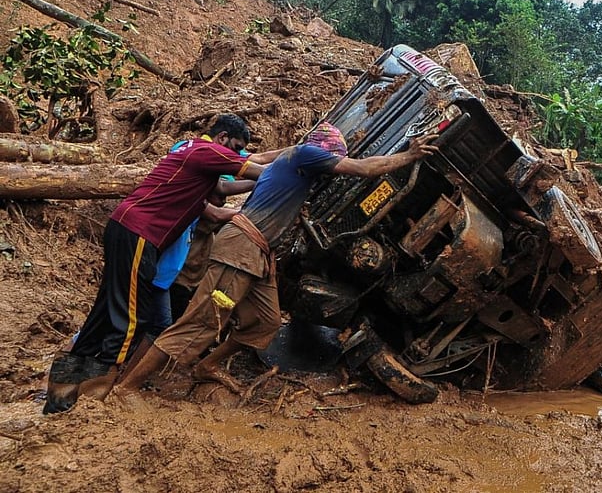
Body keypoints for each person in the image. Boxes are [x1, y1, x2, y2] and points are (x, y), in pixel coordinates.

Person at [116, 122, 439, 395]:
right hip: (240, 249)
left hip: (257, 254)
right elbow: (363, 169)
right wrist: (408, 155)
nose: (331, 165)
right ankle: (127, 388)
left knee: (266, 322)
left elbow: (266, 175)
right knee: (200, 322)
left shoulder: (292, 163)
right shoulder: (305, 154)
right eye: (332, 159)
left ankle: (207, 365)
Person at [43, 113, 269, 415]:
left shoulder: (189, 156)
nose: (236, 154)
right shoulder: (208, 151)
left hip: (125, 227)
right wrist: (300, 166)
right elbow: (259, 170)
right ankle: (97, 395)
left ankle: (61, 393)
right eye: (236, 147)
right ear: (223, 138)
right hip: (141, 233)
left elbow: (221, 197)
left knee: (105, 309)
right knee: (130, 317)